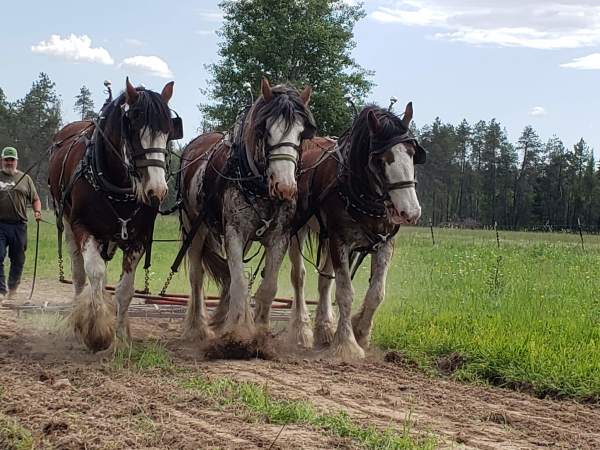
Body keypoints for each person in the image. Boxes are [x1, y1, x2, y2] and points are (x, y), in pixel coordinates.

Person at [0, 146, 41, 305]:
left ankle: (13, 290)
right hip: (0, 225)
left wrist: (37, 211)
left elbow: (36, 199)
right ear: (2, 160)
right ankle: (1, 291)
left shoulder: (25, 178)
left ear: (16, 161)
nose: (9, 162)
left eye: (12, 160)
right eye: (6, 159)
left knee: (18, 259)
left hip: (19, 225)